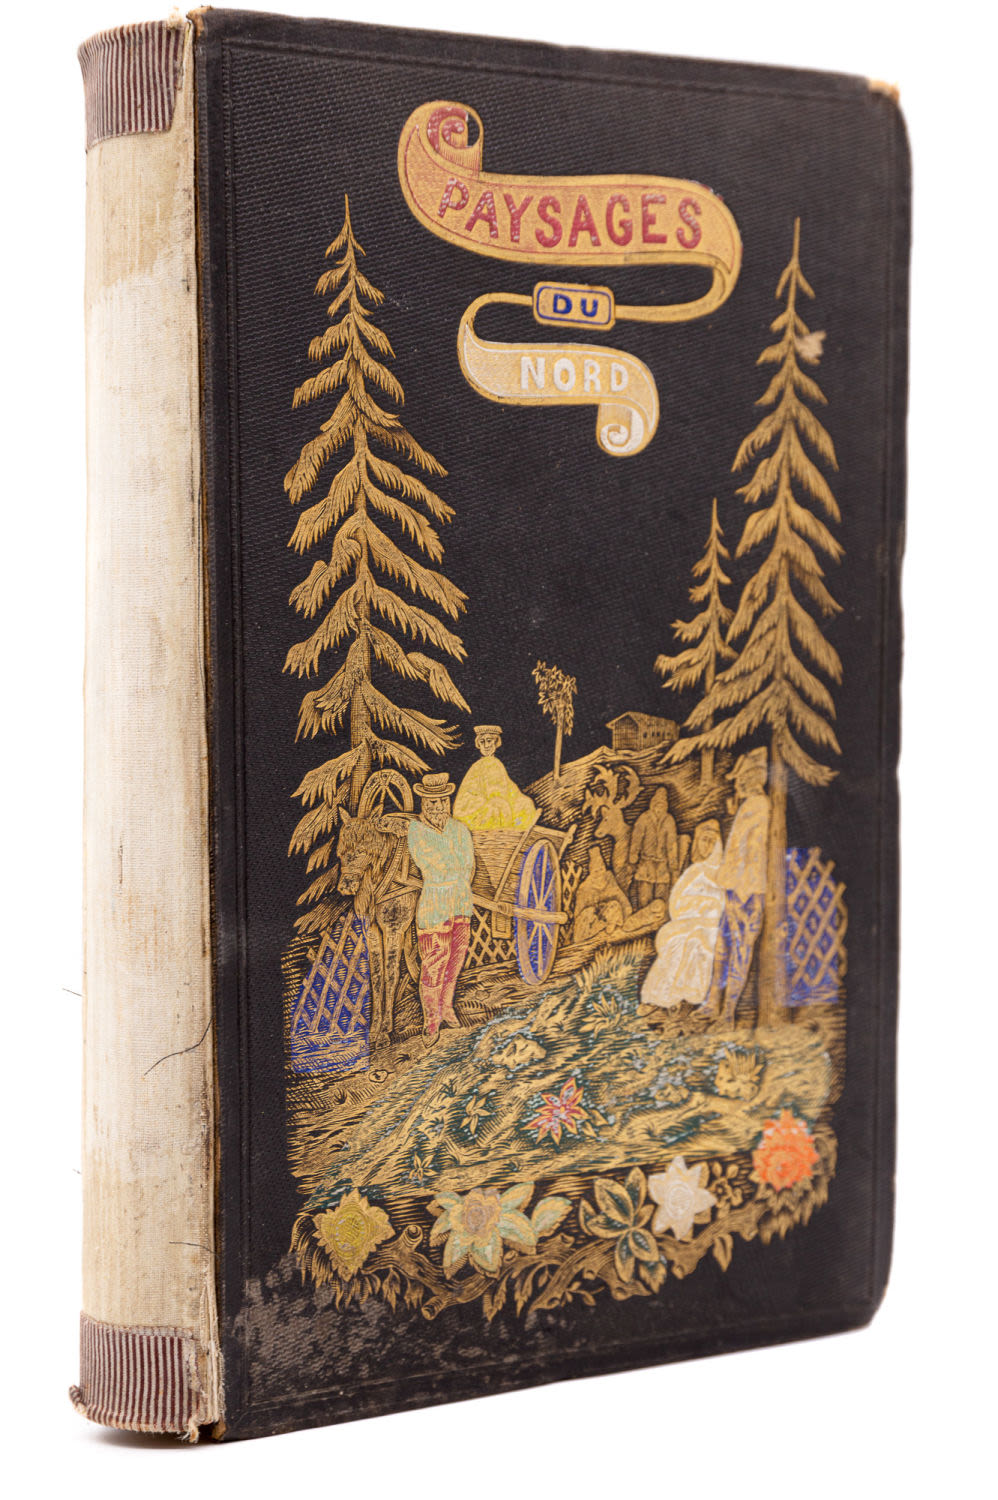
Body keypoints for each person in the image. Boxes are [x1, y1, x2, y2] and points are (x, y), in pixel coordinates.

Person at [406, 772, 476, 1043]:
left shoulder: (460, 829)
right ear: (423, 803)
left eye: (442, 801)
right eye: (431, 802)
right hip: (434, 906)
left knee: (455, 959)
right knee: (435, 962)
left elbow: (468, 866)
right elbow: (432, 864)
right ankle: (431, 1020)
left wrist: (456, 876)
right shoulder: (417, 831)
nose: (437, 807)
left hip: (461, 902)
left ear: (448, 801)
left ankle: (446, 1008)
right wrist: (453, 871)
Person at [703, 749, 771, 1022]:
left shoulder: (758, 805)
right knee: (722, 946)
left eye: (741, 778)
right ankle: (712, 1003)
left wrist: (740, 891)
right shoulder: (749, 806)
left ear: (753, 778)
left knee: (739, 950)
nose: (737, 784)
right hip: (736, 889)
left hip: (747, 893)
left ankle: (728, 1013)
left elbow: (752, 853)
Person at [640, 820, 724, 1009]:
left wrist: (711, 907)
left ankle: (691, 995)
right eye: (704, 840)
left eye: (712, 841)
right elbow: (676, 903)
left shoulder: (724, 873)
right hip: (689, 922)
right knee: (677, 944)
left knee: (696, 941)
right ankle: (660, 998)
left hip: (713, 926)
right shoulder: (694, 872)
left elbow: (725, 903)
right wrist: (700, 904)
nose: (707, 845)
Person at [453, 725, 539, 831]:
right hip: (472, 812)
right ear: (478, 745)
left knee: (525, 803)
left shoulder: (496, 763)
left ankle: (520, 834)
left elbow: (510, 789)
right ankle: (503, 835)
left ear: (495, 742)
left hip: (491, 805)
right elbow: (491, 792)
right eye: (482, 742)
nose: (486, 745)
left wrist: (522, 801)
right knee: (499, 804)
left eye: (489, 741)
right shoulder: (479, 765)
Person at [627, 787, 680, 906]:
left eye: (662, 805)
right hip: (646, 862)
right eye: (657, 804)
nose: (659, 808)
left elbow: (672, 843)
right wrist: (633, 856)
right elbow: (636, 838)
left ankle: (660, 916)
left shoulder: (669, 820)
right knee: (644, 896)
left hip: (662, 864)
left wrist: (673, 862)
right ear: (653, 804)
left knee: (661, 896)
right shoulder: (644, 818)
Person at [572, 845, 632, 942]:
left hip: (606, 919)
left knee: (614, 905)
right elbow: (579, 914)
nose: (599, 874)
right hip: (591, 923)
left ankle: (609, 929)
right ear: (591, 872)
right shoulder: (585, 888)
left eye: (601, 869)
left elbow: (622, 901)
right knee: (589, 912)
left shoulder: (609, 880)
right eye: (596, 871)